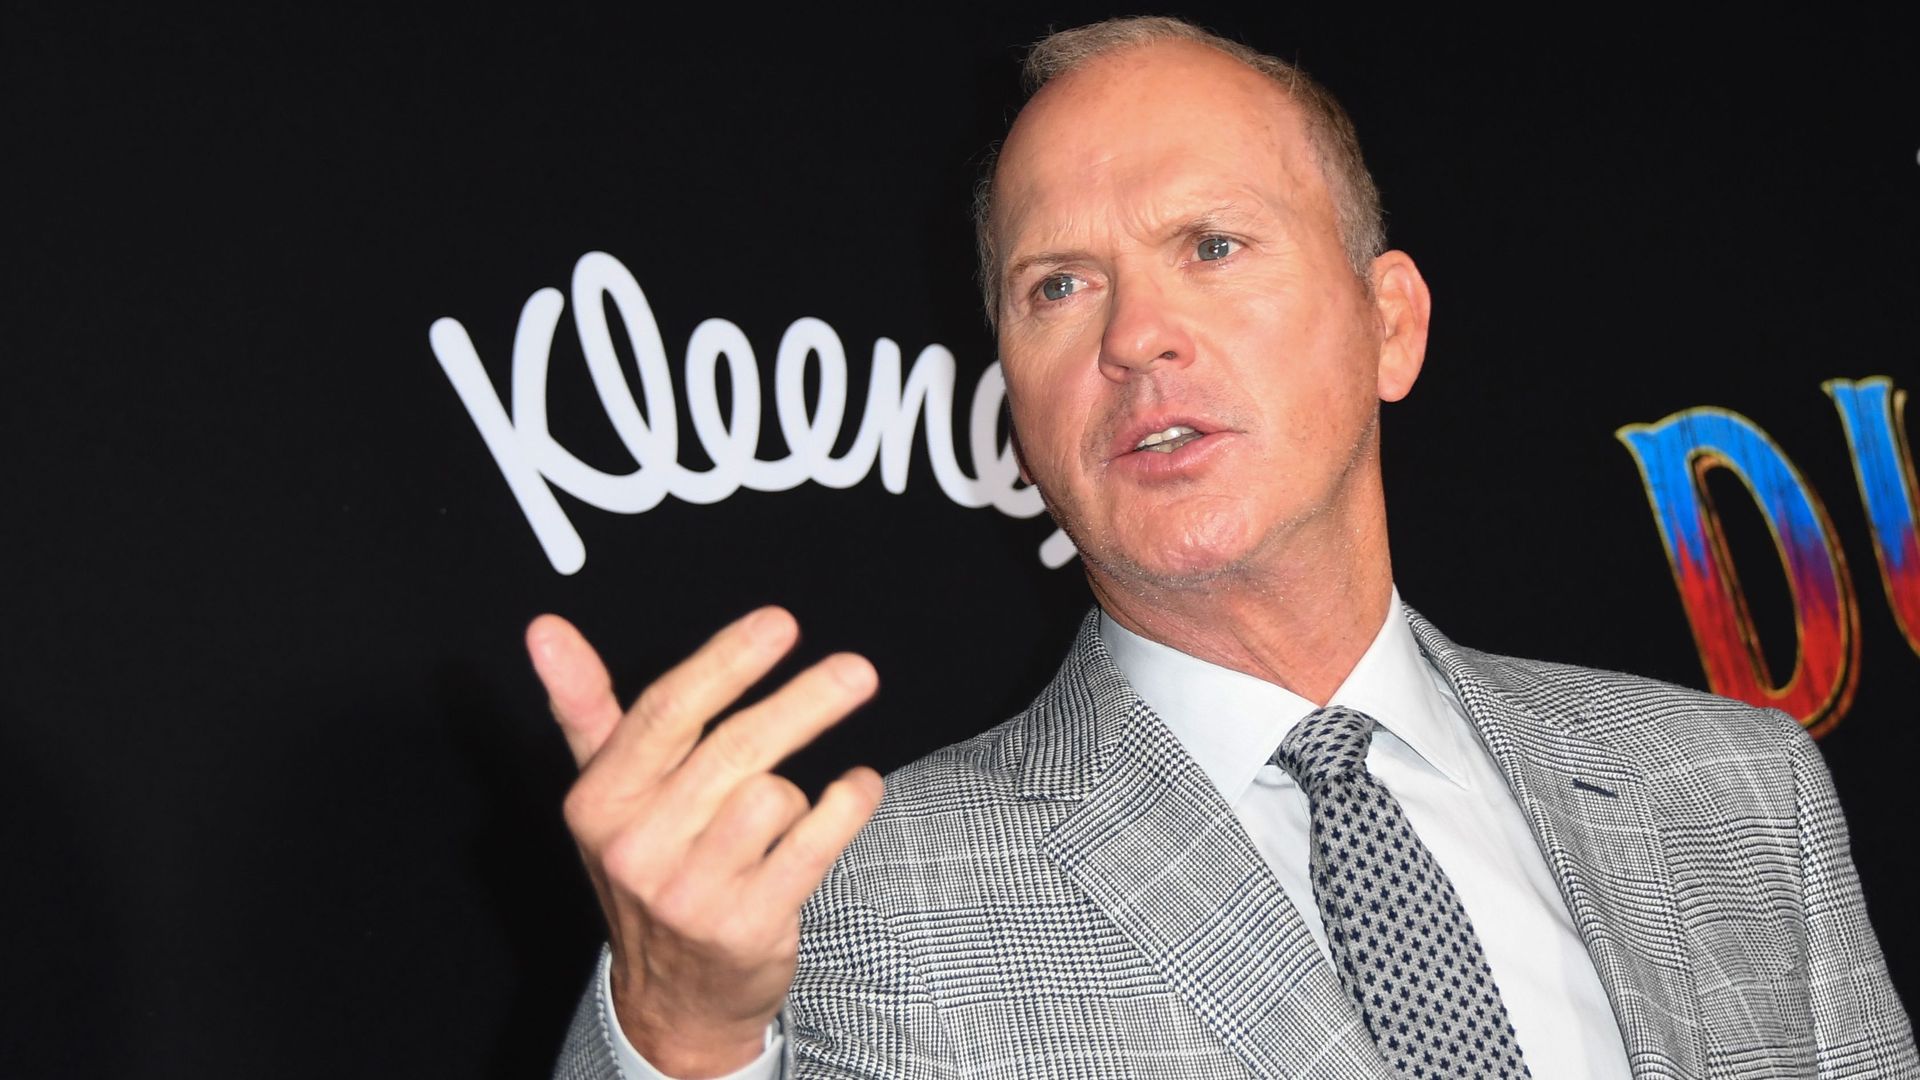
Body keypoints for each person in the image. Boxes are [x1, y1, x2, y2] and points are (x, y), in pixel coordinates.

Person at [532, 16, 1917, 1080]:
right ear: (1016, 402)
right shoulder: (857, 900)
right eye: (1057, 285)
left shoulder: (1739, 798)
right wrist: (680, 1037)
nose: (1135, 336)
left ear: (1390, 325)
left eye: (1211, 246)